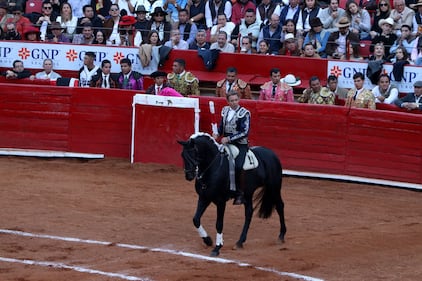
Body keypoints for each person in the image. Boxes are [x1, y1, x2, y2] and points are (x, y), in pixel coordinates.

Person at [212, 90, 251, 205]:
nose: (234, 102)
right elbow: (221, 126)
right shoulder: (225, 111)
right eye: (231, 101)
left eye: (236, 100)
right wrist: (217, 134)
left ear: (239, 99)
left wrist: (229, 139)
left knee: (239, 166)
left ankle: (240, 193)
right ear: (228, 101)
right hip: (226, 144)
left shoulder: (244, 113)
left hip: (240, 144)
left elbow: (245, 132)